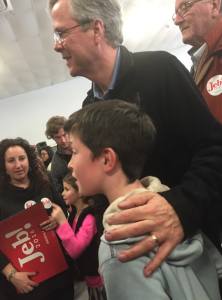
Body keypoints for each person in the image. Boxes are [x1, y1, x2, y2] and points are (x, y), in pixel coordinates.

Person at [47, 0, 222, 278]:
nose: (57, 46)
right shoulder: (88, 110)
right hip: (138, 262)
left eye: (61, 33)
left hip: (197, 251)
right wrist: (112, 239)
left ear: (96, 29)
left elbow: (213, 148)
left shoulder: (160, 69)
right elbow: (102, 190)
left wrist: (181, 209)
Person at [64, 99, 222, 300]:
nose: (70, 164)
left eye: (75, 153)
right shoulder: (174, 209)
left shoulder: (117, 247)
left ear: (106, 159)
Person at [0, 137, 74, 300]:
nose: (18, 165)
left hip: (59, 271)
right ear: (3, 165)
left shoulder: (44, 183)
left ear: (29, 159)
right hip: (26, 282)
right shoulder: (2, 196)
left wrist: (57, 220)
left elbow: (62, 208)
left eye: (22, 158)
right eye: (11, 160)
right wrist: (11, 275)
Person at [51, 174, 107, 300]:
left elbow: (75, 249)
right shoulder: (74, 215)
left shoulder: (89, 218)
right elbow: (69, 246)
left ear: (80, 192)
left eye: (67, 189)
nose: (62, 194)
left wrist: (62, 222)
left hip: (99, 279)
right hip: (88, 278)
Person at [173, 0, 222, 123]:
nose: (177, 21)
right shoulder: (200, 61)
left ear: (214, 6)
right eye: (176, 13)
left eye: (185, 7)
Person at [45, 116, 72, 197]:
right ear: (53, 138)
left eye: (64, 135)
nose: (63, 140)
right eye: (58, 137)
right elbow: (60, 192)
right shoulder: (56, 165)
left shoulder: (83, 148)